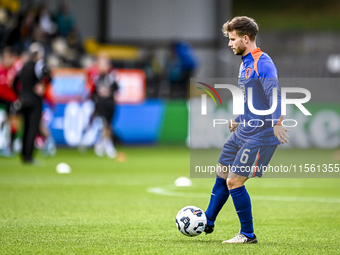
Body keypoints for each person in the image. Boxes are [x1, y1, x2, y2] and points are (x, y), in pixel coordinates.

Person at [203, 16, 290, 244]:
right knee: (222, 171)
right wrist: (240, 119)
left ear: (245, 38)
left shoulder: (263, 62)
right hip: (245, 130)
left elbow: (274, 94)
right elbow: (255, 100)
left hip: (261, 135)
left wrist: (277, 122)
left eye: (232, 39)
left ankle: (247, 235)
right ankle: (207, 220)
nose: (230, 44)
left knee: (234, 181)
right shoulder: (245, 63)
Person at [18, 42, 51, 163]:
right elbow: (48, 75)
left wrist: (20, 94)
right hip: (34, 100)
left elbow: (15, 80)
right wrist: (43, 84)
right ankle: (29, 156)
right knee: (33, 127)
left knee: (25, 127)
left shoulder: (24, 66)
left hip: (23, 100)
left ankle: (23, 154)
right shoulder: (39, 65)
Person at [86, 53, 119, 158]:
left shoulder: (112, 77)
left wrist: (108, 93)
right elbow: (92, 92)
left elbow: (117, 88)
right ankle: (105, 144)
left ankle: (103, 143)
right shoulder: (96, 78)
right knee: (103, 123)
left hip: (109, 103)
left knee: (108, 124)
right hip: (100, 103)